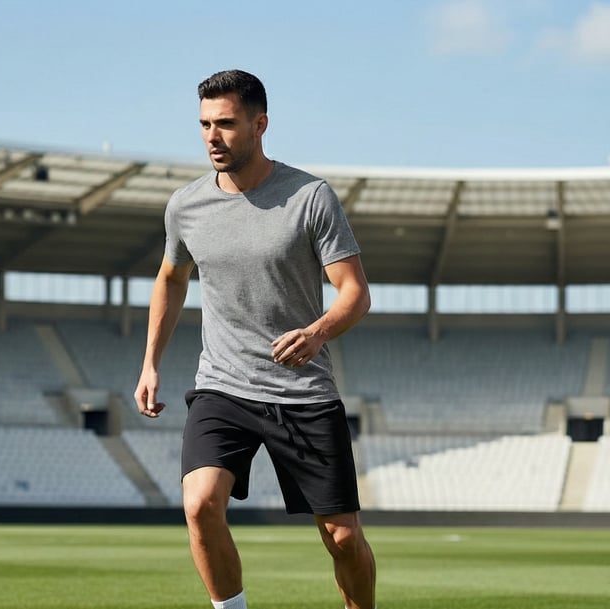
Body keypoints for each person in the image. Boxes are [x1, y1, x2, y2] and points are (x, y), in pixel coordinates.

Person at [134, 69, 376, 609]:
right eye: (204, 125)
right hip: (222, 386)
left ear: (260, 124)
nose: (212, 137)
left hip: (303, 392)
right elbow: (171, 279)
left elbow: (355, 293)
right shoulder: (185, 206)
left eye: (226, 124)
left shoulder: (310, 197)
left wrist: (316, 332)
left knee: (342, 538)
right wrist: (150, 363)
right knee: (199, 504)